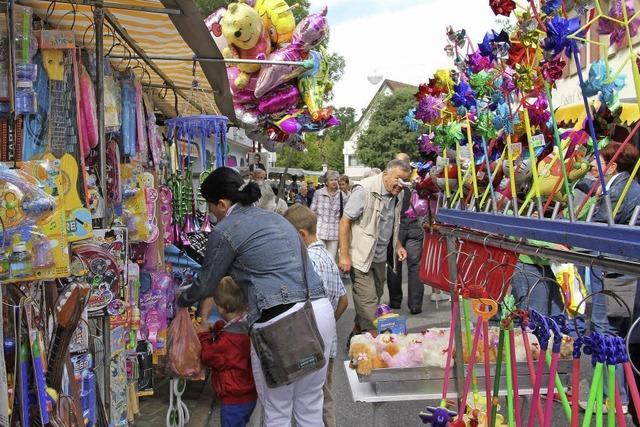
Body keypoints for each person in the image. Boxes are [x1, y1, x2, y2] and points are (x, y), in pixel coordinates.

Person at [178, 167, 335, 427]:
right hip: (318, 309)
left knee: (277, 410)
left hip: (280, 320)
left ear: (221, 203)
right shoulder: (275, 218)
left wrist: (180, 301)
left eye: (210, 207)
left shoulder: (226, 229)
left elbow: (206, 283)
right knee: (310, 405)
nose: (210, 214)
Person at [583, 141, 640, 414]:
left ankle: (613, 398)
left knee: (606, 330)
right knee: (610, 330)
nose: (592, 164)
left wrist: (568, 240)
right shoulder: (618, 185)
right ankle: (615, 397)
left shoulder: (621, 188)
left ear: (612, 165)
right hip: (611, 268)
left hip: (612, 269)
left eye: (596, 160)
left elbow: (601, 222)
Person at [284, 204, 348, 427]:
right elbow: (343, 300)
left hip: (311, 345)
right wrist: (329, 324)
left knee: (311, 402)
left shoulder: (308, 262)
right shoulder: (328, 257)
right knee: (323, 398)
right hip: (327, 344)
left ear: (301, 234)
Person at [338, 159, 411, 337]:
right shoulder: (364, 189)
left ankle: (356, 334)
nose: (401, 185)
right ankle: (372, 344)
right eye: (398, 179)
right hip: (360, 255)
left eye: (404, 181)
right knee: (369, 302)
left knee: (374, 297)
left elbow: (392, 223)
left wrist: (398, 245)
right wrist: (344, 255)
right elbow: (345, 221)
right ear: (386, 174)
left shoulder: (399, 193)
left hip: (379, 257)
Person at [197, 277, 257, 427]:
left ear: (222, 308)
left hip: (234, 398)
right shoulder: (245, 324)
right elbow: (226, 331)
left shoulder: (229, 339)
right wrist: (216, 327)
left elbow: (208, 356)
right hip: (248, 393)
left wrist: (203, 335)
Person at [386, 153, 435, 314]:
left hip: (397, 225)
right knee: (415, 265)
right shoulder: (417, 182)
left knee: (394, 263)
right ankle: (415, 305)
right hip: (414, 224)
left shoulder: (392, 182)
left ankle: (395, 301)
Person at [311, 171, 348, 259]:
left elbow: (346, 214)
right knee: (319, 258)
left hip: (334, 233)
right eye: (331, 180)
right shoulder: (318, 193)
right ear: (326, 182)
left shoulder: (342, 195)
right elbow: (312, 211)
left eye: (336, 179)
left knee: (331, 259)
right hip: (320, 232)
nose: (334, 182)